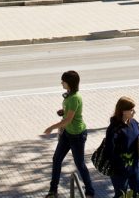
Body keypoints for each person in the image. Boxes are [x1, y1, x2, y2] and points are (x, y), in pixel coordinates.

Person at [42, 70, 95, 198]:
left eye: (63, 81)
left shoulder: (74, 97)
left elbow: (68, 120)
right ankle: (53, 191)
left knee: (79, 164)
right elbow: (69, 113)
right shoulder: (69, 95)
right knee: (56, 159)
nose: (61, 83)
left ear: (69, 83)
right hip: (68, 133)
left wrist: (51, 127)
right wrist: (63, 111)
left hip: (77, 135)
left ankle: (90, 191)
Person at [104, 96, 139, 198]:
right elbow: (109, 151)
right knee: (121, 195)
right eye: (131, 110)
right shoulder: (114, 129)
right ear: (123, 111)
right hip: (119, 170)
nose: (134, 112)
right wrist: (119, 165)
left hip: (135, 166)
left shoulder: (133, 123)